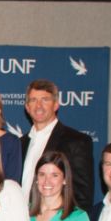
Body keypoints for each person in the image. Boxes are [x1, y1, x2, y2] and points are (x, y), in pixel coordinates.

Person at [19, 79, 94, 213]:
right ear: (27, 107)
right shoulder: (19, 144)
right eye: (33, 100)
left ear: (56, 105)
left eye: (45, 100)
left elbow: (83, 196)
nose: (39, 105)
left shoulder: (76, 141)